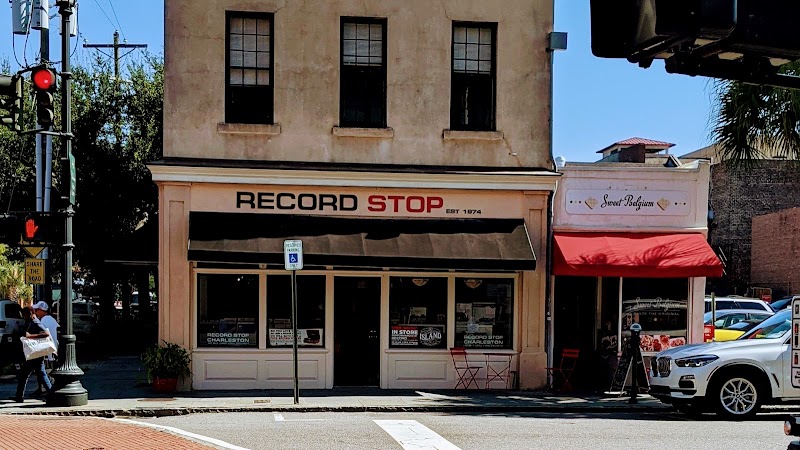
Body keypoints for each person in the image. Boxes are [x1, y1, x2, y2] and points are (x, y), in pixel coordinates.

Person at [9, 306, 54, 403]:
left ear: (29, 313)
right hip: (33, 353)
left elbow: (46, 333)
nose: (23, 317)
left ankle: (52, 394)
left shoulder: (35, 322)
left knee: (39, 374)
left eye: (24, 315)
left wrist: (30, 336)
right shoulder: (30, 322)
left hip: (36, 354)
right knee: (27, 375)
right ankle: (19, 396)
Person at [32, 301, 59, 397]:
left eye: (37, 310)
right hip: (52, 349)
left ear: (42, 310)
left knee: (44, 371)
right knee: (42, 370)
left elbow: (43, 333)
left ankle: (47, 390)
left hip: (48, 350)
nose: (35, 312)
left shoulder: (44, 320)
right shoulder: (51, 319)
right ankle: (43, 389)